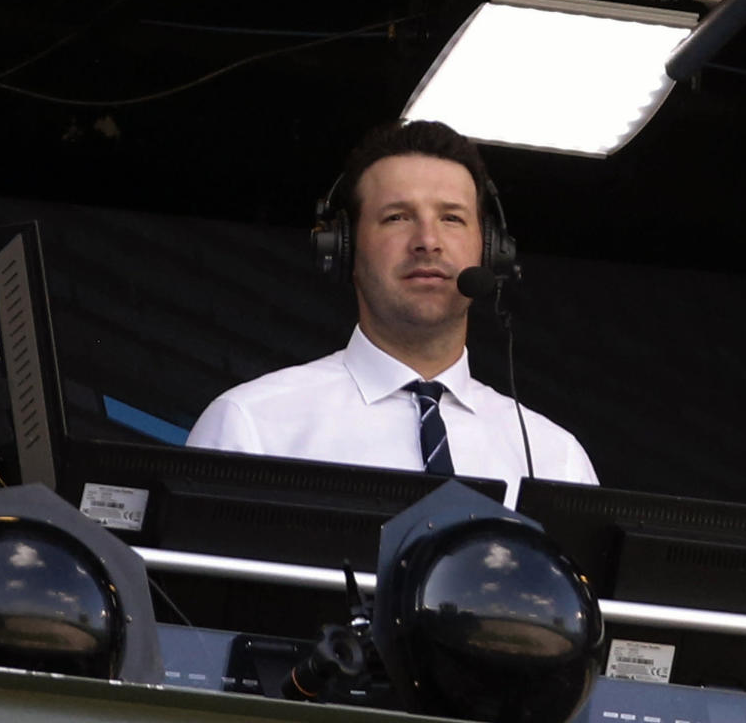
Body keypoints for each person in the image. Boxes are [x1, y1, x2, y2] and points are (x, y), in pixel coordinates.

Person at [186, 120, 596, 506]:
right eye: (397, 217)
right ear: (344, 248)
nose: (428, 241)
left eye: (451, 218)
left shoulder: (555, 458)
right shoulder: (251, 427)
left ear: (490, 251)